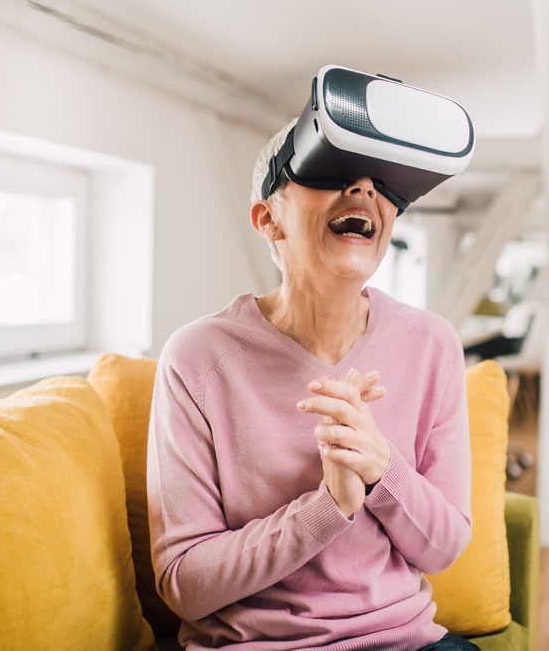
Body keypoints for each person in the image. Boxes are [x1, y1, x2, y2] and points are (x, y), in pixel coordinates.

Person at [146, 116, 479, 650]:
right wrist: (330, 506)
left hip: (405, 642)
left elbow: (443, 547)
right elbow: (184, 582)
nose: (365, 189)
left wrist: (380, 468)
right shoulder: (197, 358)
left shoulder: (432, 343)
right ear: (268, 219)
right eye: (331, 169)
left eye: (382, 183)